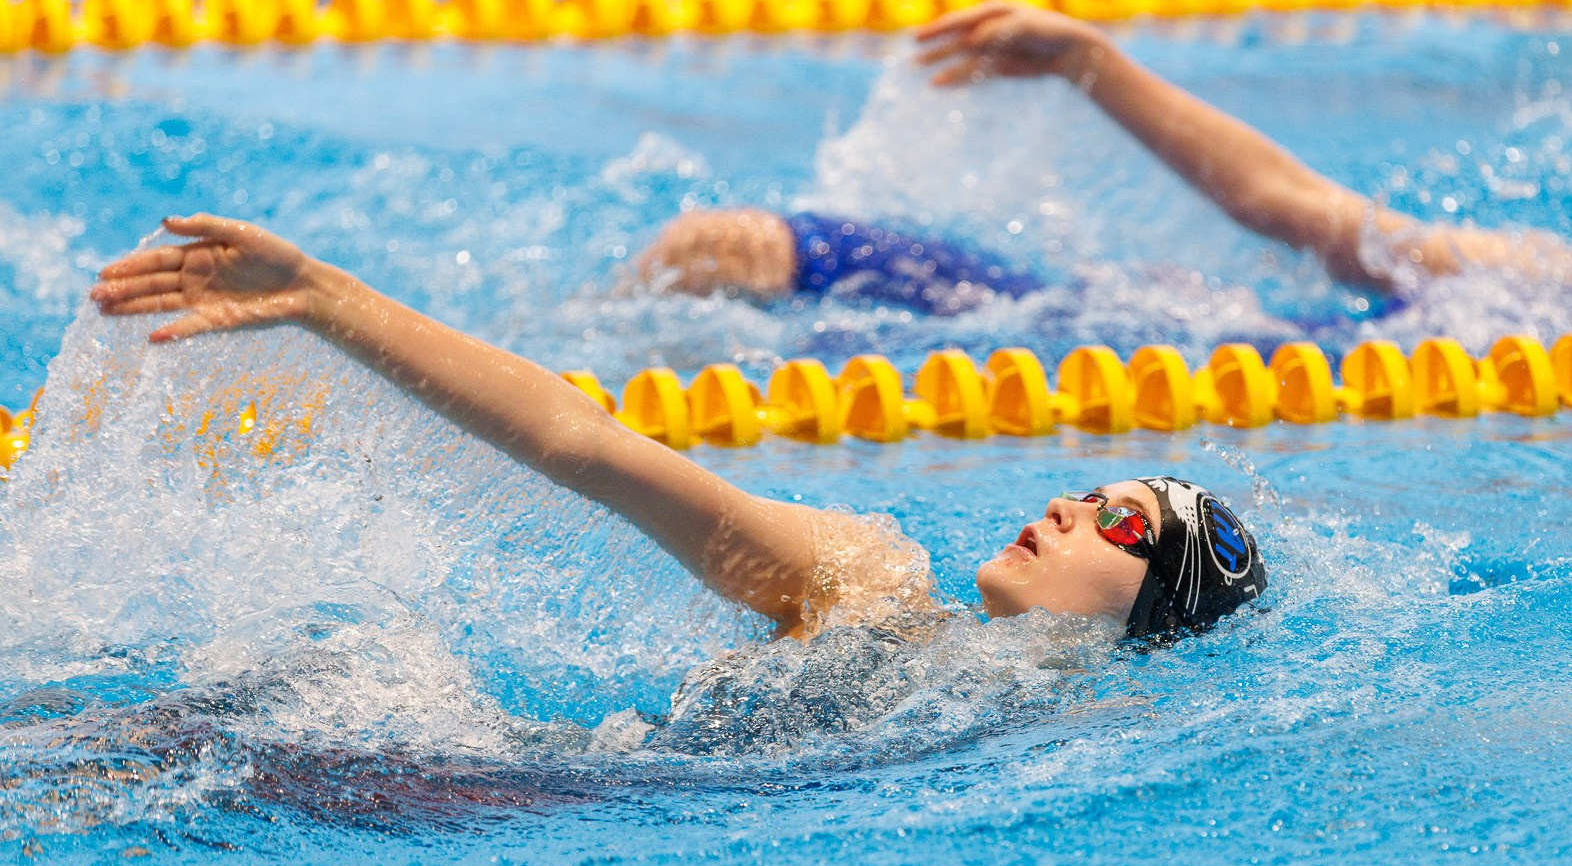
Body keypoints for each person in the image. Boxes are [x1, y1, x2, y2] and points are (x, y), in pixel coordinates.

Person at [90, 215, 1266, 646]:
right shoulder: (869, 584)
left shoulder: (1072, 734)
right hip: (514, 791)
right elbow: (592, 449)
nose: (1068, 504)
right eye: (1090, 489)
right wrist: (326, 300)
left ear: (1155, 614)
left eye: (1118, 522)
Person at [638, 1, 1572, 307]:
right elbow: (1284, 202)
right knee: (726, 245)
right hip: (1120, 328)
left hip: (1114, 363)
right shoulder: (1518, 269)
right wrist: (1087, 61)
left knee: (727, 250)